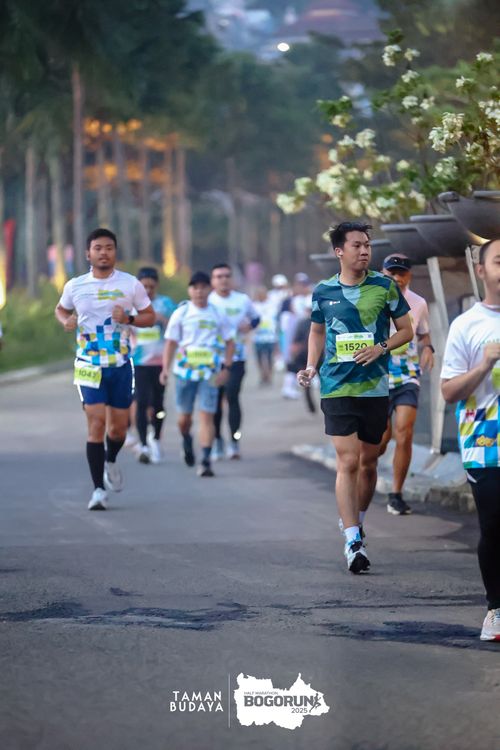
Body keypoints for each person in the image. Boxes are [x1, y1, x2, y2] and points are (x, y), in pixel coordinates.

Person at [297, 221, 412, 573]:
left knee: (369, 462)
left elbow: (406, 330)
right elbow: (317, 331)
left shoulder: (385, 286)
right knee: (347, 461)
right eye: (357, 245)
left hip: (374, 388)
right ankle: (352, 541)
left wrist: (381, 347)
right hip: (336, 387)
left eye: (367, 245)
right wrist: (311, 366)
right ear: (339, 251)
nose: (364, 251)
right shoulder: (323, 291)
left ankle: (357, 521)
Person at [55, 228, 155, 510]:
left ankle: (111, 459)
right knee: (96, 423)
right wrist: (66, 321)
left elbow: (150, 317)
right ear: (88, 254)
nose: (103, 253)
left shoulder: (130, 284)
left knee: (118, 429)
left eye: (109, 248)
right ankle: (98, 489)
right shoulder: (75, 286)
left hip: (120, 364)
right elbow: (61, 309)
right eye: (98, 248)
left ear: (115, 252)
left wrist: (130, 319)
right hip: (88, 364)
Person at [441, 238, 500, 642]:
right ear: (481, 271)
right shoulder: (467, 324)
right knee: (494, 528)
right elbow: (448, 391)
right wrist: (484, 365)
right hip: (485, 444)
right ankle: (496, 608)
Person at [161, 271, 235, 478]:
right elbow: (171, 343)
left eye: (203, 287)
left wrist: (227, 368)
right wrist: (165, 369)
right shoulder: (182, 313)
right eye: (195, 288)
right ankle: (186, 439)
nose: (199, 292)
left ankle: (206, 460)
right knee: (184, 418)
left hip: (210, 373)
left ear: (209, 289)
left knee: (206, 416)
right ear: (190, 290)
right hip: (184, 373)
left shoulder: (218, 313)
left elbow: (230, 342)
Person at [379, 254, 434, 515]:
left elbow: (424, 333)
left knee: (405, 431)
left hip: (408, 375)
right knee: (381, 439)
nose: (397, 278)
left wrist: (429, 348)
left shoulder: (419, 303)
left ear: (409, 275)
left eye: (401, 273)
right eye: (392, 273)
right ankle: (364, 468)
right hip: (378, 375)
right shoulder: (372, 299)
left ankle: (396, 494)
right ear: (383, 273)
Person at [209, 263, 260, 460]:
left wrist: (249, 326)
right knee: (214, 400)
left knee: (232, 396)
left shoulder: (242, 300)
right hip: (213, 359)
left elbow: (256, 318)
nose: (223, 279)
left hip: (237, 358)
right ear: (213, 281)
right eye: (218, 276)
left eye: (226, 276)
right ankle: (217, 441)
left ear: (231, 279)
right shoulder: (208, 302)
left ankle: (234, 440)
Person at [131, 267, 176, 464]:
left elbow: (176, 328)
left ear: (157, 285)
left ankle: (156, 438)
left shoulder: (166, 304)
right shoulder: (130, 304)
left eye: (151, 286)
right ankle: (143, 444)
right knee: (141, 402)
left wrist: (162, 319)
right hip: (138, 361)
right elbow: (123, 328)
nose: (148, 290)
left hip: (159, 362)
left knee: (158, 404)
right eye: (144, 286)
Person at [252, 286, 278, 385]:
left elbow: (275, 319)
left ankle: (269, 375)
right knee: (259, 357)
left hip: (270, 337)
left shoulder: (272, 305)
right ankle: (262, 375)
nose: (261, 296)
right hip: (257, 337)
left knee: (270, 357)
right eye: (259, 294)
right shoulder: (254, 305)